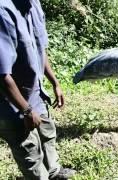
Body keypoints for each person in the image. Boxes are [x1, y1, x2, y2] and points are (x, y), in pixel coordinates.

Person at [0, 0, 76, 179]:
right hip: (11, 105)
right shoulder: (3, 13)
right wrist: (26, 110)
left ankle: (54, 172)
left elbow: (39, 47)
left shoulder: (33, 4)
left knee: (47, 135)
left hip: (35, 95)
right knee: (30, 151)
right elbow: (2, 75)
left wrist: (54, 82)